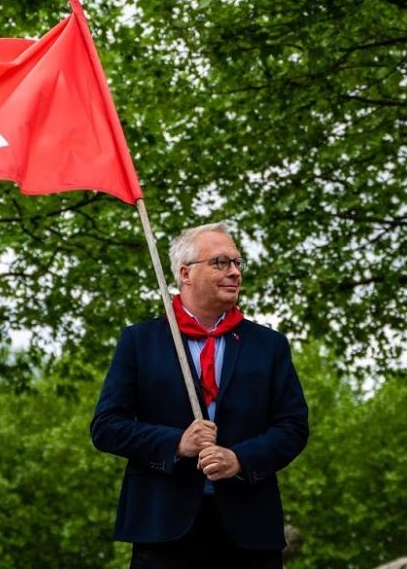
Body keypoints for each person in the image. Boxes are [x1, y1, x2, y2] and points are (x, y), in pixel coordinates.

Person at [91, 221, 308, 569]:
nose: (235, 272)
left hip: (250, 530)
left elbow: (293, 427)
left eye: (237, 262)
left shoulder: (269, 345)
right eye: (221, 262)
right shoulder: (139, 342)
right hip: (163, 528)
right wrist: (176, 443)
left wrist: (240, 459)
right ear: (185, 273)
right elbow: (106, 427)